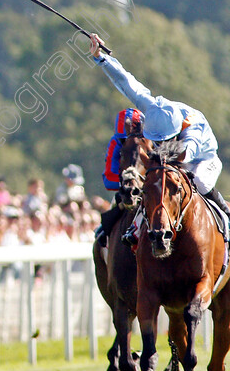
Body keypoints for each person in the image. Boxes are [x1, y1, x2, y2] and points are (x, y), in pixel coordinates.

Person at [90, 33, 230, 244]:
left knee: (198, 181)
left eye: (164, 139)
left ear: (175, 131)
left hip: (200, 160)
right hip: (172, 157)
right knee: (152, 185)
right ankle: (135, 227)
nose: (160, 143)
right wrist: (101, 57)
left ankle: (225, 218)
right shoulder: (153, 107)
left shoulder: (193, 128)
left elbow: (185, 155)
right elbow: (125, 81)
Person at [94, 108, 143, 247]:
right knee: (110, 217)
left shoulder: (151, 141)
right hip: (126, 192)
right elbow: (108, 180)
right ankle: (103, 234)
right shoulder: (115, 144)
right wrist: (128, 184)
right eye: (123, 139)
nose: (126, 141)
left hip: (149, 189)